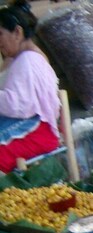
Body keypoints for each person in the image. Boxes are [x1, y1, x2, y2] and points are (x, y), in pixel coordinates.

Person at [0, 0, 60, 174]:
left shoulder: (27, 60)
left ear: (17, 32)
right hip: (36, 129)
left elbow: (17, 105)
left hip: (38, 134)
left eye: (0, 34)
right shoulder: (24, 57)